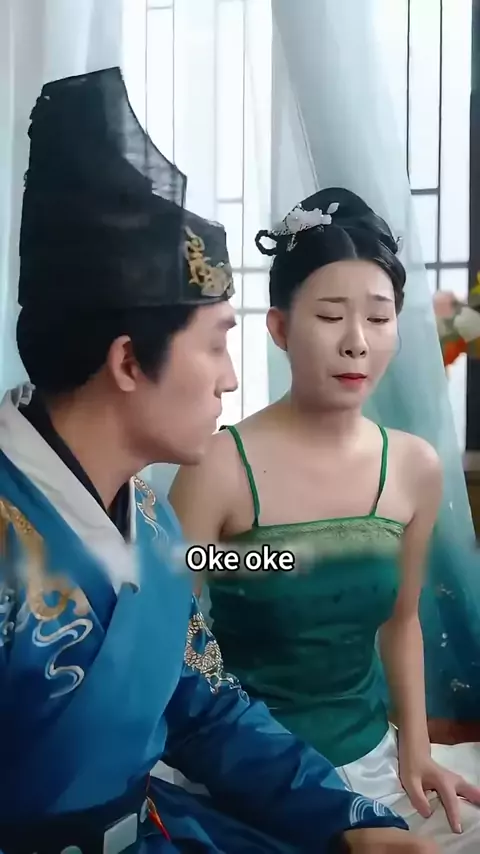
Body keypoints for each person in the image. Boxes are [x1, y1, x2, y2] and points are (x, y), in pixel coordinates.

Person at [0, 68, 432, 854]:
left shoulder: (149, 516)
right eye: (215, 345)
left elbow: (203, 705)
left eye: (379, 317)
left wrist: (347, 821)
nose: (231, 379)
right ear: (130, 361)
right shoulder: (209, 475)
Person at [169, 188, 480, 853]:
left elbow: (401, 623)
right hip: (243, 772)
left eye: (379, 317)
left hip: (370, 761)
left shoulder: (415, 468)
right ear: (279, 328)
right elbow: (170, 638)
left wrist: (417, 751)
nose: (356, 343)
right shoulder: (218, 467)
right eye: (331, 316)